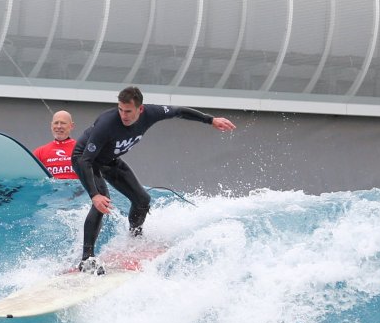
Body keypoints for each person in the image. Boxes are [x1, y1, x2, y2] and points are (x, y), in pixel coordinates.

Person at [71, 86, 236, 274]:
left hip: (110, 161)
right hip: (85, 160)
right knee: (102, 201)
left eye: (128, 111)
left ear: (140, 109)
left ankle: (134, 240)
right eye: (120, 110)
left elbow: (179, 111)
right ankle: (87, 259)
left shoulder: (151, 113)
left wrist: (211, 120)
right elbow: (85, 160)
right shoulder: (106, 123)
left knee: (142, 201)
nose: (123, 115)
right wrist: (94, 195)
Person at [32, 110, 78, 179]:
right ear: (51, 125)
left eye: (63, 123)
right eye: (56, 123)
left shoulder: (81, 149)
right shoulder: (39, 152)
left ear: (71, 126)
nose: (59, 126)